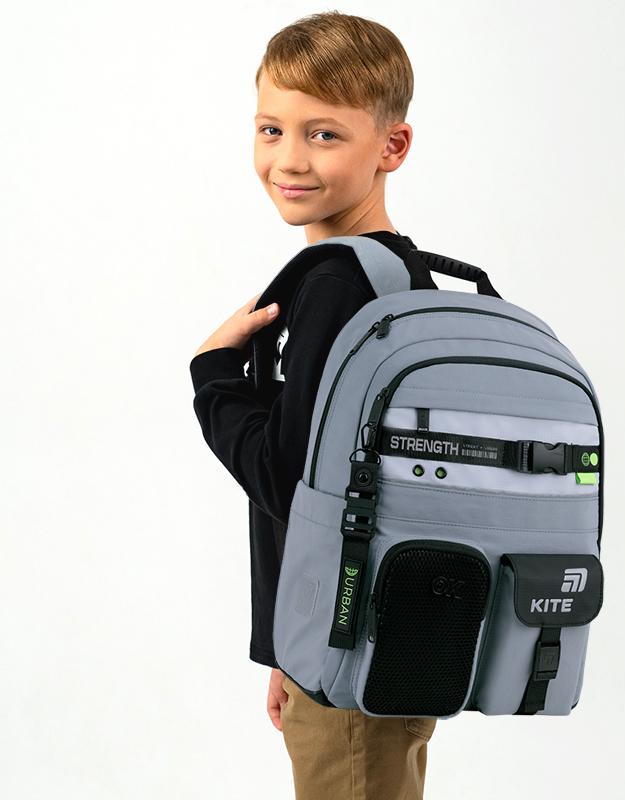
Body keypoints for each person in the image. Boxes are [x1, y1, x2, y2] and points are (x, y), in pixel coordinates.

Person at [189, 11, 436, 799]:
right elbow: (345, 491)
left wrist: (214, 374)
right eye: (271, 129)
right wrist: (289, 649)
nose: (288, 159)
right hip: (367, 642)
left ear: (392, 146)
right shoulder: (401, 276)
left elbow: (287, 482)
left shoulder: (336, 286)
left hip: (347, 661)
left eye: (324, 135)